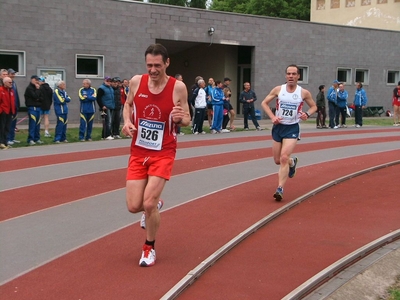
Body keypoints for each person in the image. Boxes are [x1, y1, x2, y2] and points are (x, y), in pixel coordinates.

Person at [121, 43, 190, 267]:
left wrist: (180, 119)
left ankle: (149, 247)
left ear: (167, 63)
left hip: (163, 151)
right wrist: (127, 121)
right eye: (149, 65)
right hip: (138, 150)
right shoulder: (136, 82)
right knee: (134, 206)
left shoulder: (177, 87)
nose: (152, 70)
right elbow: (128, 105)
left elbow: (188, 118)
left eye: (157, 65)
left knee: (147, 204)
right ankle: (155, 204)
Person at [261, 64, 317, 201]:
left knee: (284, 157)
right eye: (289, 74)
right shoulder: (278, 89)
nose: (291, 76)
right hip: (278, 127)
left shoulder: (303, 92)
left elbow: (314, 106)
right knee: (277, 160)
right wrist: (273, 117)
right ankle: (292, 163)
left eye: (294, 74)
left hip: (292, 128)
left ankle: (280, 188)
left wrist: (307, 114)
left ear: (298, 76)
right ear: (286, 76)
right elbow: (264, 103)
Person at [24, 75, 43, 145]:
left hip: (38, 108)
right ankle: (31, 139)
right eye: (35, 79)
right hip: (32, 108)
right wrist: (37, 91)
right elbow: (34, 96)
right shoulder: (29, 88)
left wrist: (37, 97)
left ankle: (37, 138)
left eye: (38, 80)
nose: (37, 81)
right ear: (32, 79)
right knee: (32, 124)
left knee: (38, 124)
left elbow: (41, 98)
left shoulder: (38, 88)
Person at [0, 77, 16, 150]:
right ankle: (1, 142)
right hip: (3, 111)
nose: (11, 83)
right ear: (5, 83)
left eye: (11, 82)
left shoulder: (11, 91)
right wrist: (1, 110)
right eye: (9, 82)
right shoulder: (1, 90)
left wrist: (13, 110)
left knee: (7, 127)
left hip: (10, 112)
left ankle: (5, 141)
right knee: (2, 127)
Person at [6, 68, 21, 145]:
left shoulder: (14, 83)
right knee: (9, 123)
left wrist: (18, 104)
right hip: (9, 107)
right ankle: (8, 138)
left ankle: (12, 137)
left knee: (14, 124)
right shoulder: (7, 84)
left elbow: (16, 95)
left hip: (15, 106)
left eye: (14, 74)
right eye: (12, 74)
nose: (13, 75)